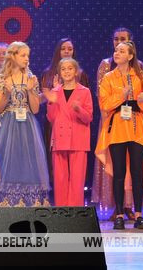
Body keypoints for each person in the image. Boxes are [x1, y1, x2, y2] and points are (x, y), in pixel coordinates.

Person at [96, 41, 143, 230]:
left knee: (137, 171)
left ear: (130, 56)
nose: (117, 53)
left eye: (122, 51)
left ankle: (138, 214)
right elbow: (104, 104)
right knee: (119, 172)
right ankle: (120, 214)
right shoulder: (108, 78)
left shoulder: (141, 76)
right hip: (117, 128)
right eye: (116, 50)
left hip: (137, 128)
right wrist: (121, 96)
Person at [91, 27, 143, 218]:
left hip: (134, 124)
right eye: (115, 39)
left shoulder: (139, 69)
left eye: (122, 39)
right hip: (112, 120)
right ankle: (118, 207)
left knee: (135, 166)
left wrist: (142, 102)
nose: (118, 43)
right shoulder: (106, 66)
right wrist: (108, 119)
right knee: (116, 166)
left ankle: (133, 207)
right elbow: (102, 98)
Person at [0, 42, 50, 206]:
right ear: (13, 56)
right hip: (7, 126)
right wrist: (7, 92)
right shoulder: (0, 79)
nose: (26, 59)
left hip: (27, 126)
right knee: (8, 161)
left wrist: (31, 90)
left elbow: (35, 109)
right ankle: (6, 201)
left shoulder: (31, 78)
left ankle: (27, 201)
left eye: (28, 56)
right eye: (23, 55)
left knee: (27, 162)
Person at [45, 58, 93, 207]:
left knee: (77, 179)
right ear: (59, 73)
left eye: (70, 68)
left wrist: (79, 109)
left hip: (78, 140)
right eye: (63, 69)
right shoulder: (55, 92)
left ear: (76, 71)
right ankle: (62, 210)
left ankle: (75, 210)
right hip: (59, 140)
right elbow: (51, 118)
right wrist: (52, 101)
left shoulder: (85, 92)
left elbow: (88, 118)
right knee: (60, 178)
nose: (66, 71)